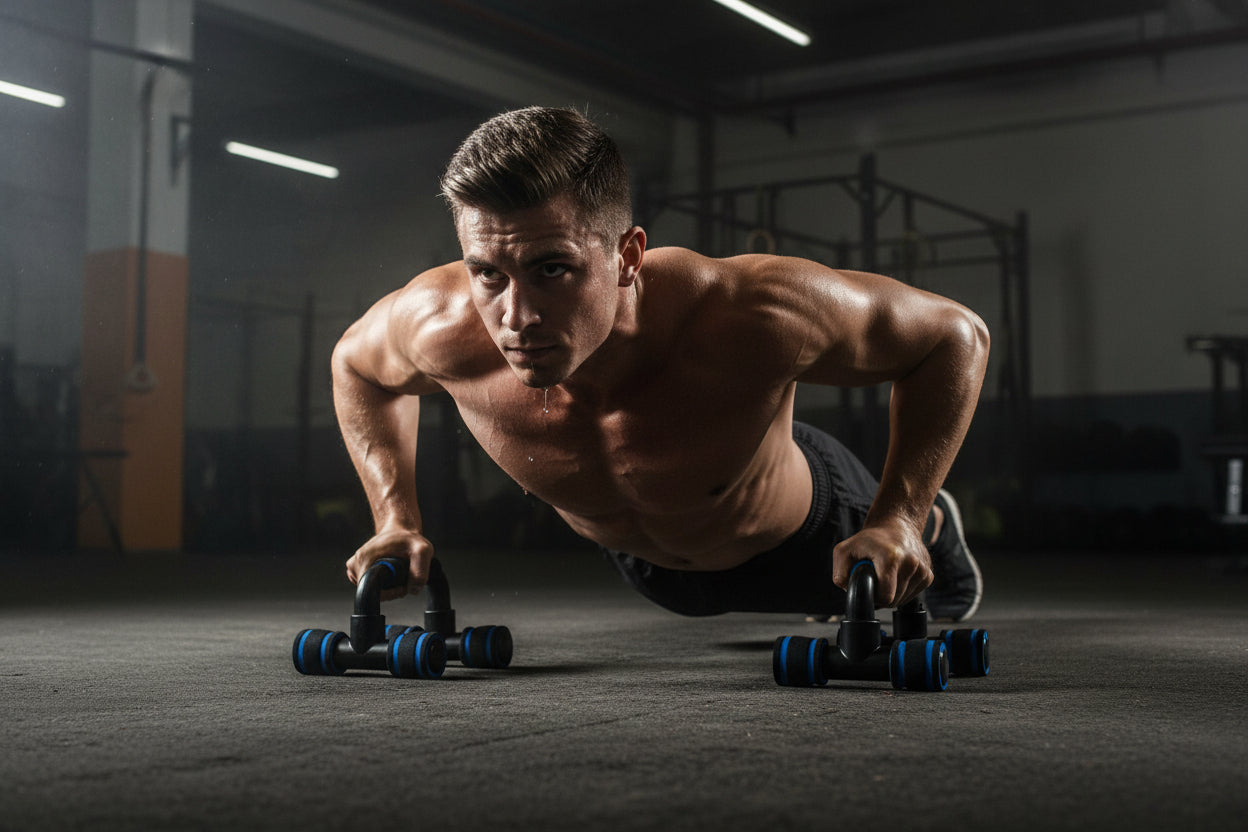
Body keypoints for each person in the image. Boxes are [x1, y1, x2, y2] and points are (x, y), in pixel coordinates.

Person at [333, 106, 990, 622]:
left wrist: (898, 518)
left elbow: (954, 336)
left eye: (552, 269)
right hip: (652, 571)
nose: (517, 316)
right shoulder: (438, 325)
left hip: (814, 541)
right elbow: (356, 367)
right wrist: (395, 520)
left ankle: (935, 525)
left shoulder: (749, 311)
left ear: (627, 254)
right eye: (487, 273)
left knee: (909, 584)